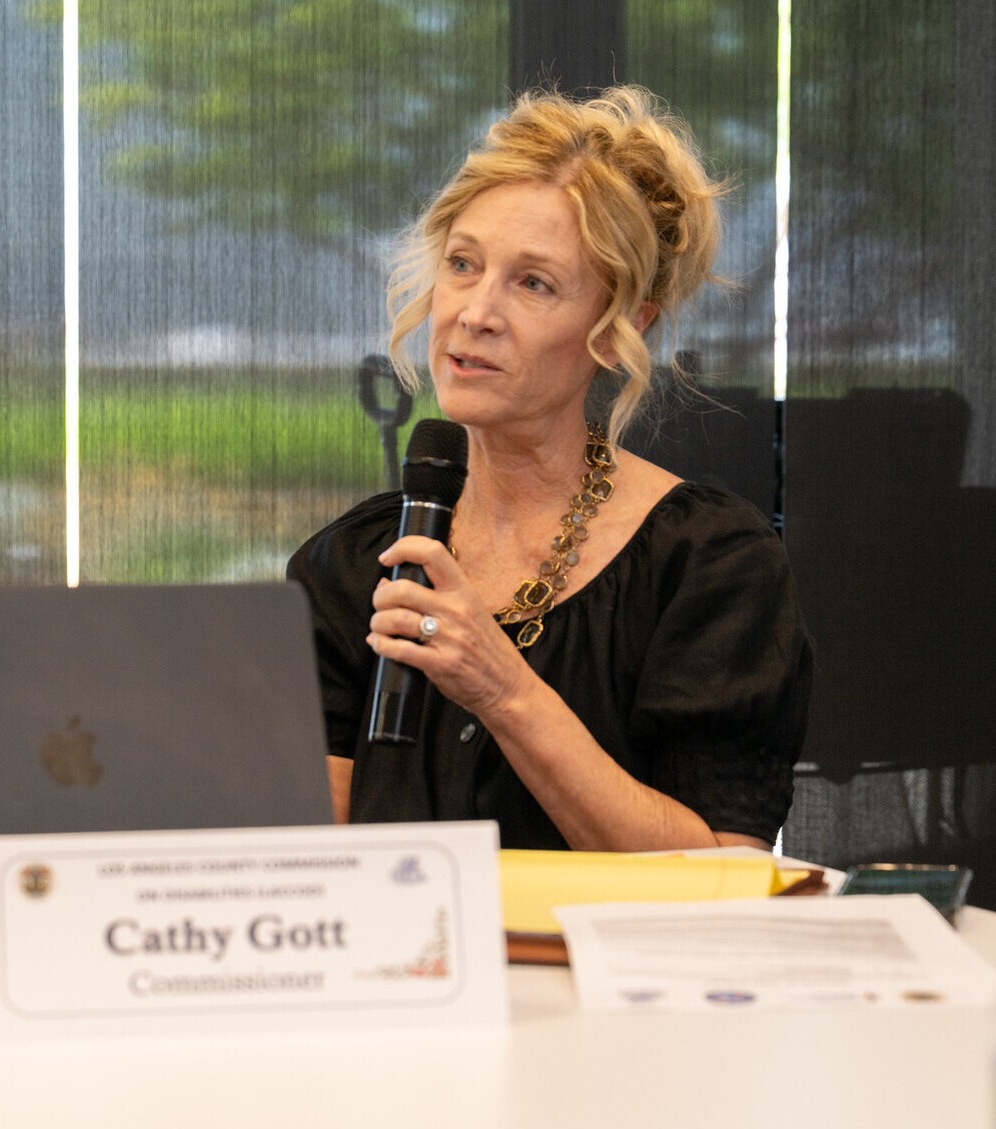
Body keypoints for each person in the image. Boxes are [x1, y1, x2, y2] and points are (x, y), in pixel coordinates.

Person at [287, 85, 811, 851]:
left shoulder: (707, 564)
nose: (474, 313)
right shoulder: (349, 562)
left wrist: (500, 687)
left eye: (532, 283)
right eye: (462, 264)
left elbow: (722, 872)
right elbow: (309, 854)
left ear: (621, 326)